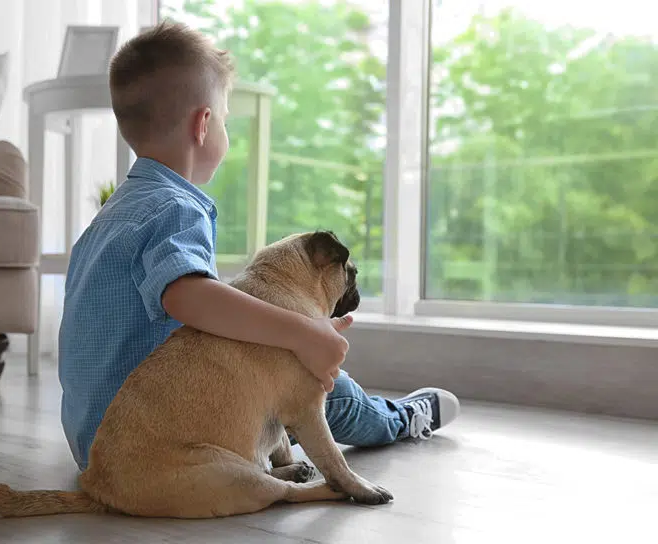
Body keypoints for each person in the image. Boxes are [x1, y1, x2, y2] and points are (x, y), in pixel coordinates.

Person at [58, 21, 460, 471]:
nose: (226, 133)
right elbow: (189, 296)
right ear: (203, 124)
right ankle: (399, 419)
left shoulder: (111, 216)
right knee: (314, 378)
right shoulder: (175, 207)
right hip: (149, 436)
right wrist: (303, 332)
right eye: (225, 121)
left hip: (92, 438)